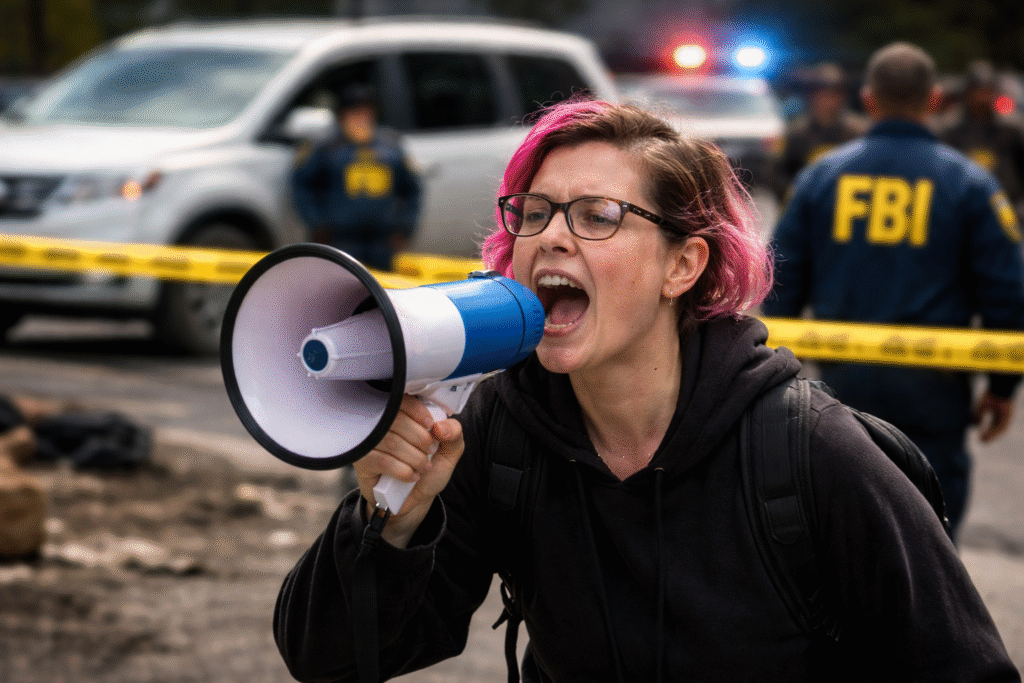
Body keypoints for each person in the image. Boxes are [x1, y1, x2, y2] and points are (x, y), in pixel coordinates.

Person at [273, 98, 1019, 681]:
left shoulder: (810, 453)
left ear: (682, 266)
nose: (552, 237)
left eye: (598, 215)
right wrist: (391, 516)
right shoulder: (502, 429)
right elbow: (328, 658)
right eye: (535, 213)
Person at [764, 42, 1024, 538]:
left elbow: (781, 281)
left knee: (840, 536)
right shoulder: (970, 184)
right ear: (933, 101)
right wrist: (1001, 386)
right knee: (931, 536)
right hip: (933, 393)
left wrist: (775, 378)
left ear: (868, 99)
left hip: (835, 393)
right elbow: (1006, 293)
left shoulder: (821, 178)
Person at [291, 83, 422, 272]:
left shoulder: (390, 146)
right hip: (340, 239)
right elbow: (302, 185)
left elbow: (413, 189)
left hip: (381, 241)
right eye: (353, 112)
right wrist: (316, 223)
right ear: (341, 116)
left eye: (365, 112)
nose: (360, 118)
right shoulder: (326, 148)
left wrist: (405, 227)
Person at [937, 59, 1024, 219]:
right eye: (978, 91)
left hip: (1007, 206)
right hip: (964, 208)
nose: (983, 98)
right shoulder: (950, 128)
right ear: (968, 92)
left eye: (988, 91)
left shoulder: (1010, 128)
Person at [774, 63, 869, 202]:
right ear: (812, 97)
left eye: (835, 94)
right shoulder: (796, 135)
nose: (829, 101)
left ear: (844, 97)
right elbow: (779, 176)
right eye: (823, 94)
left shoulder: (859, 133)